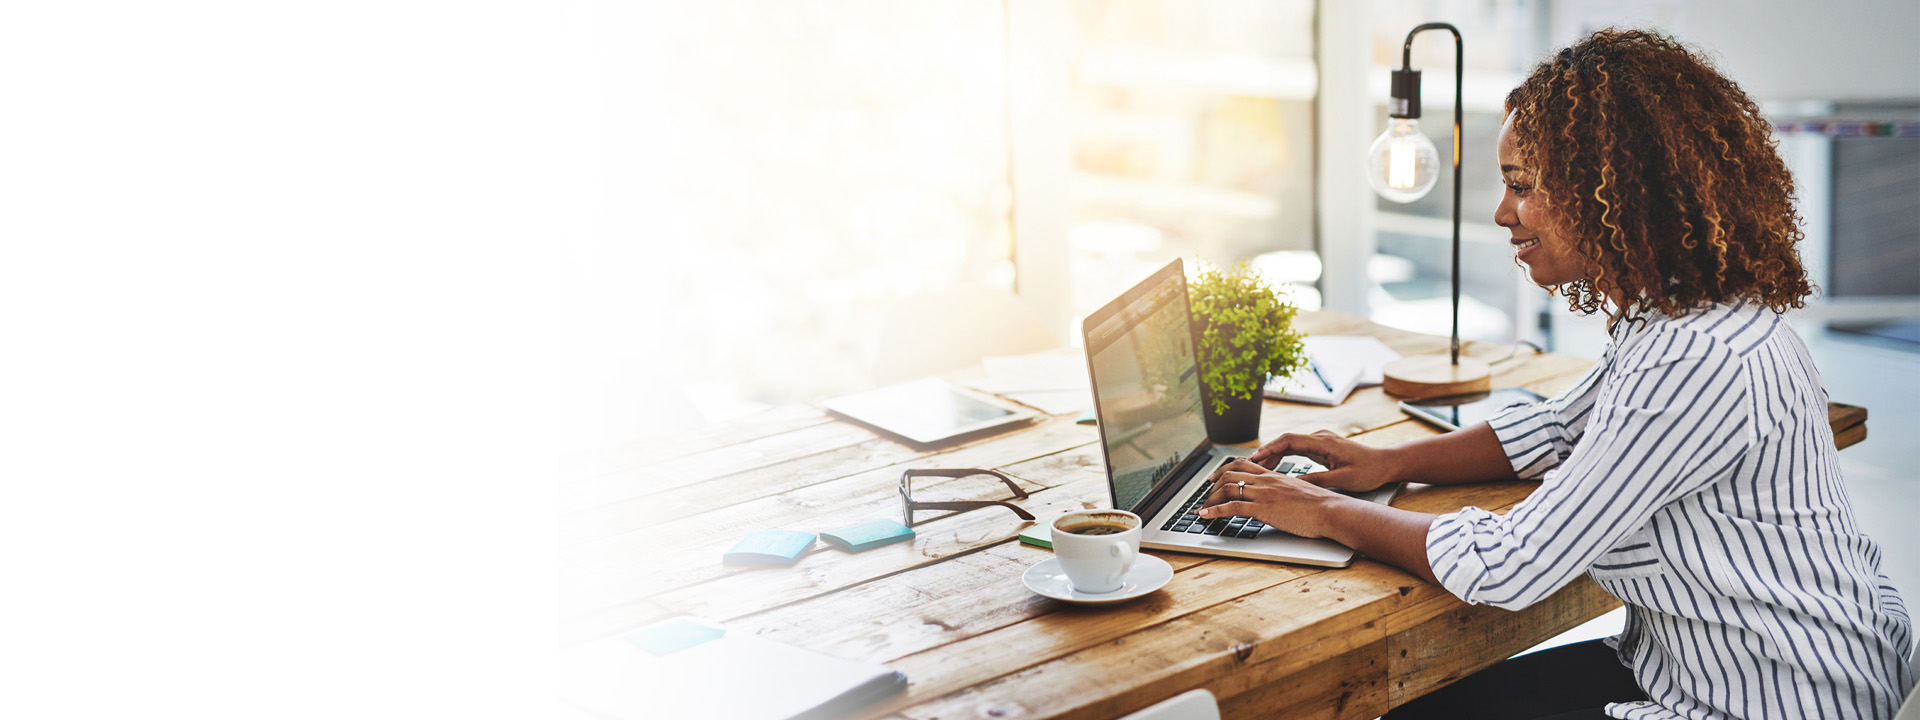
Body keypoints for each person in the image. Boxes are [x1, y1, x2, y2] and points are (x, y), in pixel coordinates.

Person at [1197, 28, 1914, 720]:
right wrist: (1386, 461)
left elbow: (1514, 565)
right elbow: (1554, 428)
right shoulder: (1678, 316)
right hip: (1702, 662)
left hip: (1771, 699)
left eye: (1521, 184)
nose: (1503, 212)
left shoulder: (1696, 356)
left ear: (1612, 190)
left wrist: (1318, 511)